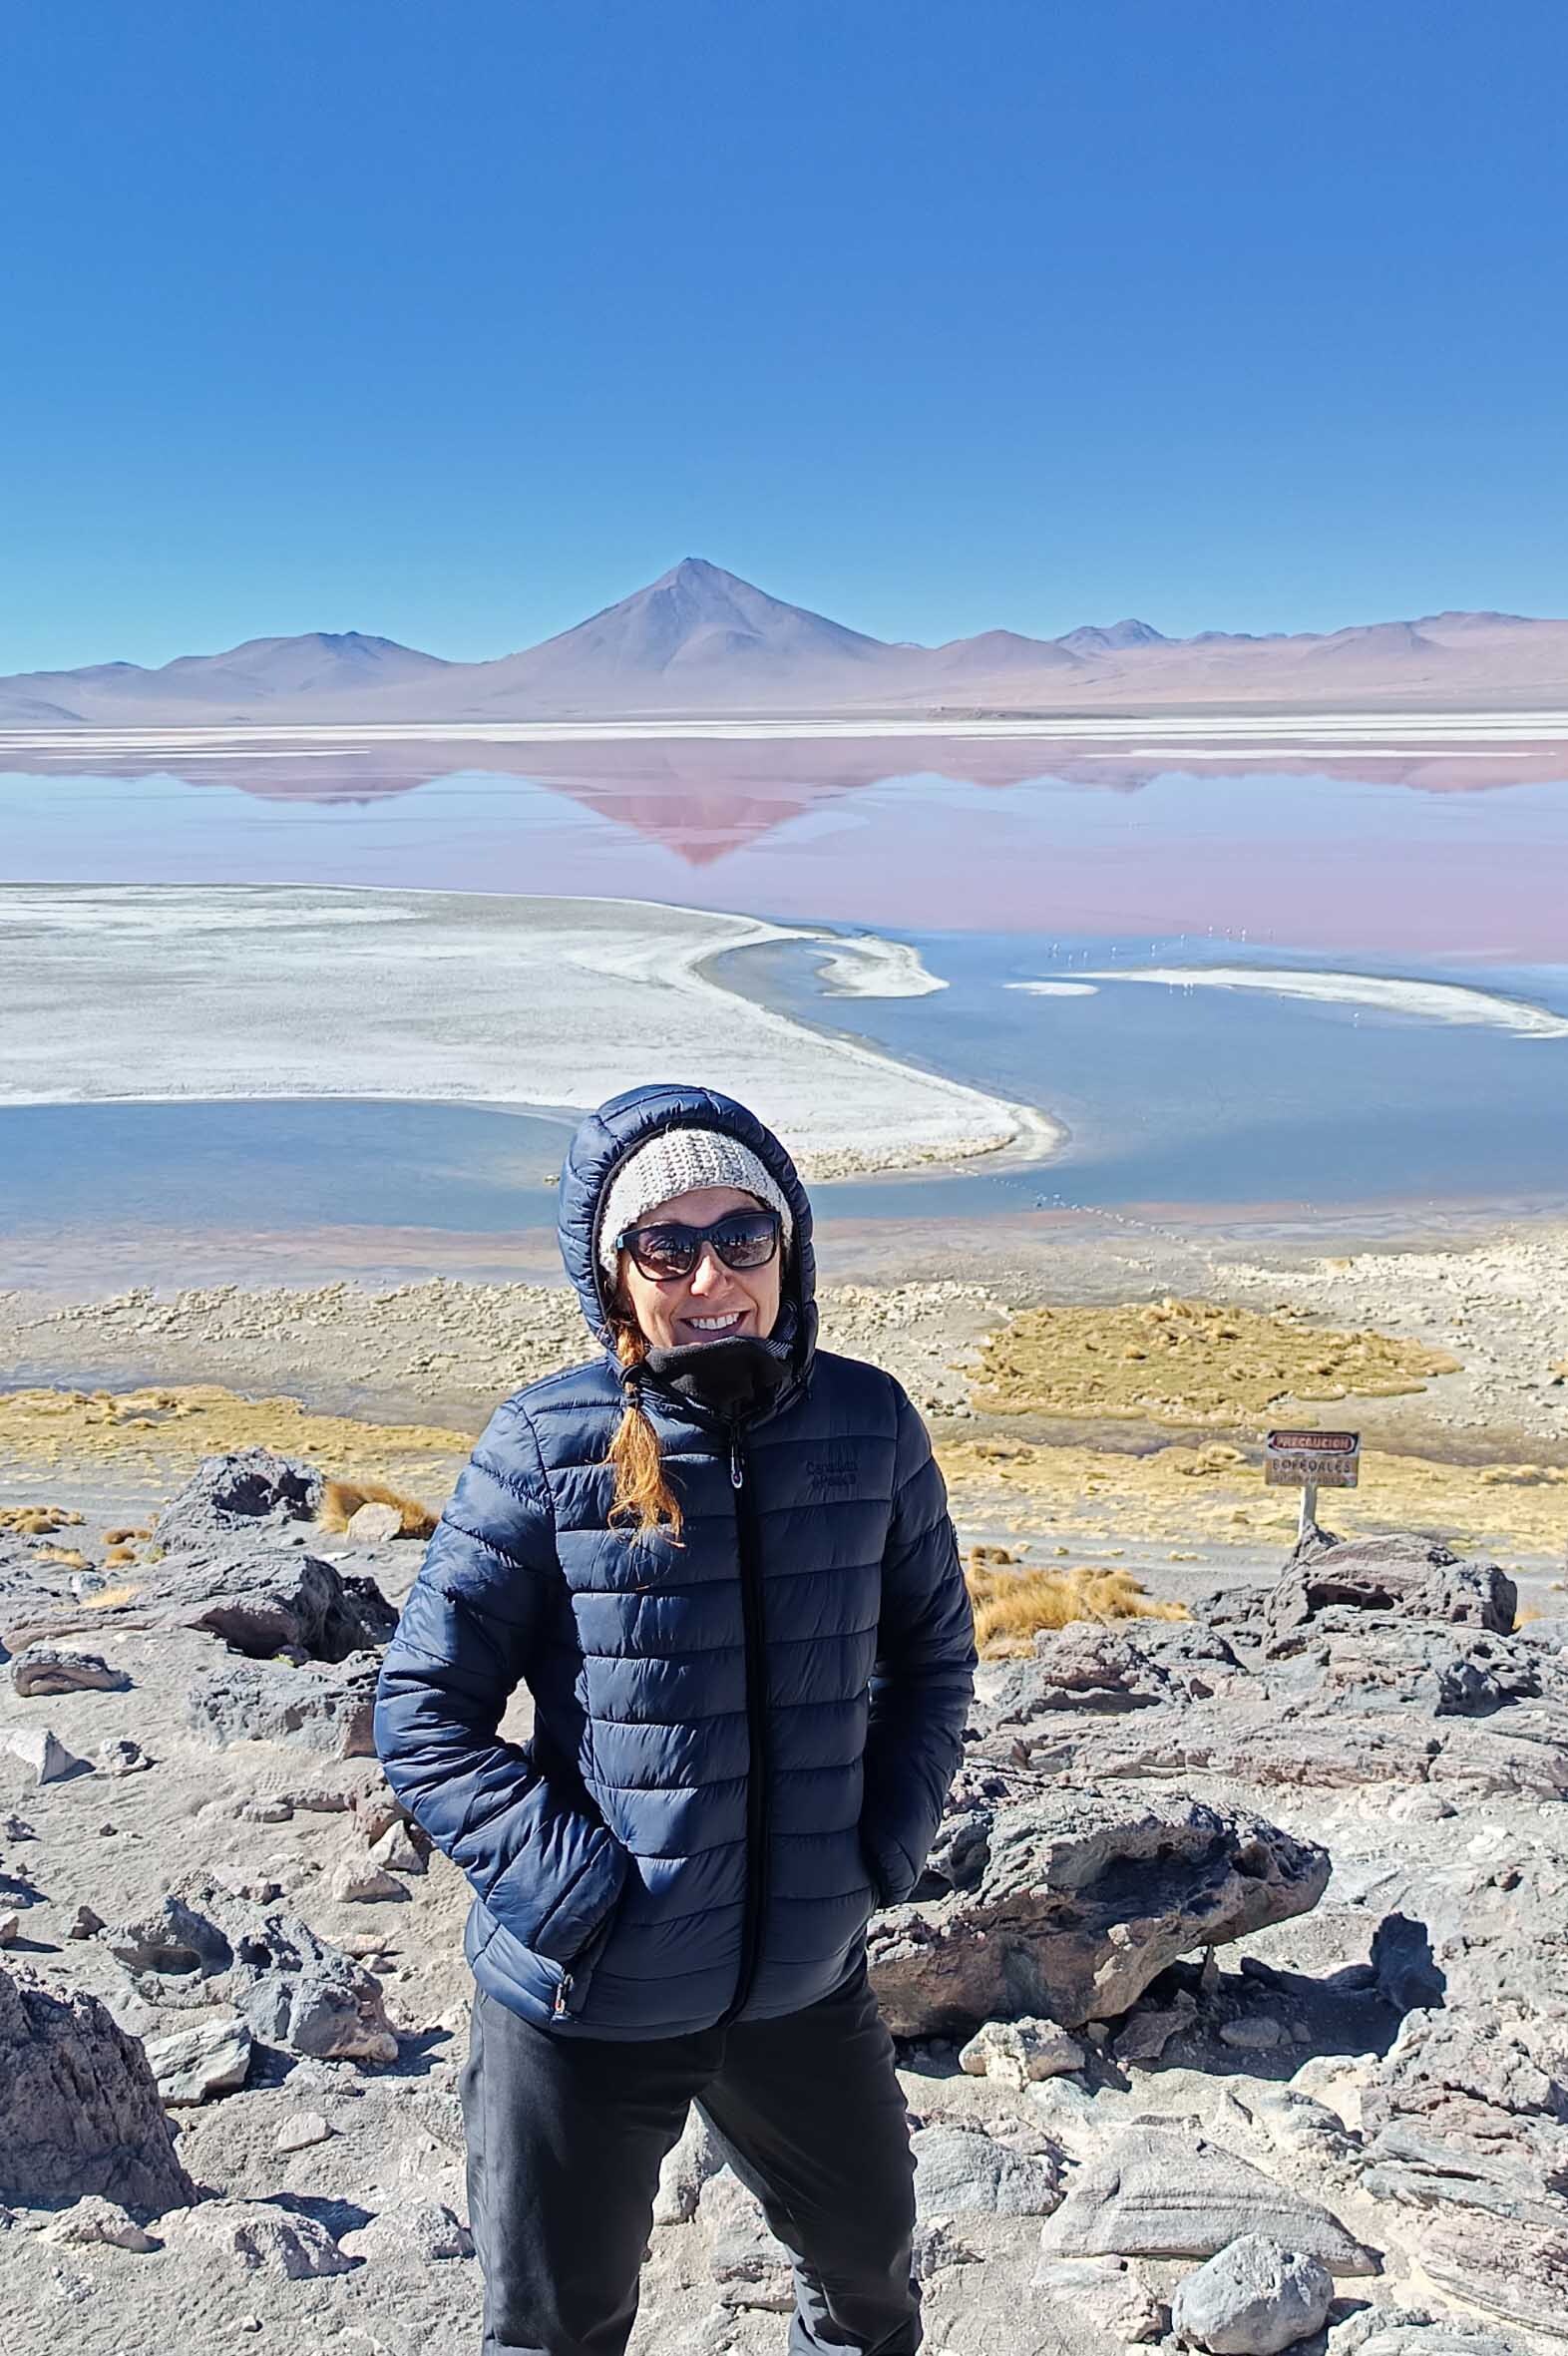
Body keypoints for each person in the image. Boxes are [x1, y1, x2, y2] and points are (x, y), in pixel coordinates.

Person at [374, 1081, 977, 2356]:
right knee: (557, 2330)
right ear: (615, 1273)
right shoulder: (547, 1444)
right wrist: (585, 1897)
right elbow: (424, 1711)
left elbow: (935, 1656)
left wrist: (881, 1847)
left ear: (789, 1245)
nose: (714, 1274)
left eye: (743, 1234)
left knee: (869, 2287)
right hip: (590, 1998)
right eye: (669, 1243)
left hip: (803, 1981)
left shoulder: (869, 1424)